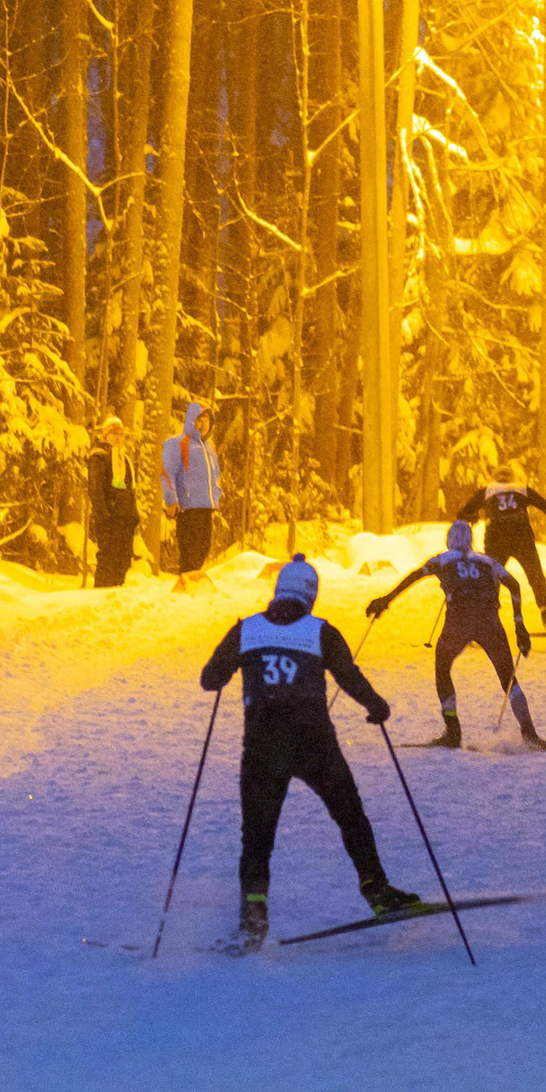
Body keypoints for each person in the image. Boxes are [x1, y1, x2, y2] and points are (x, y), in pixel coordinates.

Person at [200, 554, 421, 946]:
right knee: (350, 815)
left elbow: (210, 679)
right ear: (311, 595)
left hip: (262, 747)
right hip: (314, 744)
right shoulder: (321, 632)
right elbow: (348, 676)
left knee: (256, 835)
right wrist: (375, 705)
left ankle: (253, 915)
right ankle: (377, 891)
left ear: (277, 590)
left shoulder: (246, 629)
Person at [367, 520, 546, 752]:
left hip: (459, 620)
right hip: (489, 621)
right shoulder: (487, 561)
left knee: (442, 667)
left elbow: (413, 577)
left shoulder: (442, 559)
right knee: (508, 677)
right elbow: (514, 585)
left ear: (449, 540)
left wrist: (385, 600)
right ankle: (529, 733)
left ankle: (453, 730)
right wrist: (519, 625)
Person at [456, 465, 546, 633]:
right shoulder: (521, 489)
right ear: (512, 477)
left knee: (491, 580)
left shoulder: (487, 491)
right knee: (536, 577)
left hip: (496, 540)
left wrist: (471, 518)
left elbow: (463, 513)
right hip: (522, 539)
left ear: (495, 477)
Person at [161, 400, 222, 591]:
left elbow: (215, 476)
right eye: (200, 420)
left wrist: (217, 496)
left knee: (203, 548)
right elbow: (167, 472)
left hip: (206, 507)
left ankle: (192, 585)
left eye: (207, 420)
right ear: (191, 421)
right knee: (190, 552)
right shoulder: (179, 443)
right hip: (188, 507)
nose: (204, 424)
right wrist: (171, 500)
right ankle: (185, 586)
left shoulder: (209, 447)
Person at [87, 415, 140, 588]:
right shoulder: (99, 456)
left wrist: (134, 515)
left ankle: (115, 593)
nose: (118, 437)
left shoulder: (123, 459)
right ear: (105, 436)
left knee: (123, 560)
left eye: (121, 433)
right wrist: (103, 515)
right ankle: (101, 594)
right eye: (114, 433)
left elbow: (129, 489)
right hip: (109, 519)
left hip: (125, 519)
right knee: (108, 558)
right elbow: (96, 489)